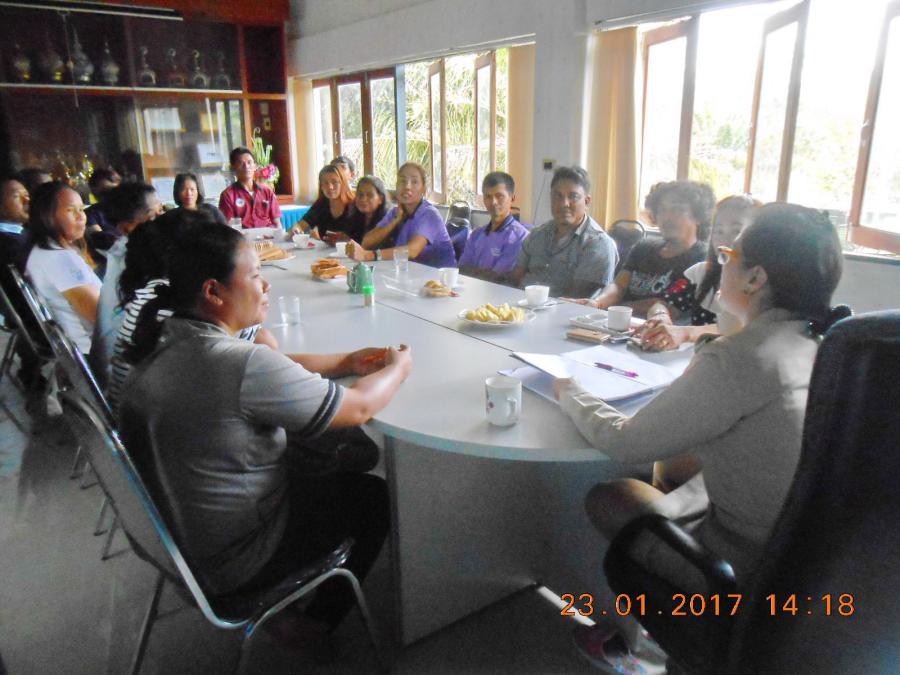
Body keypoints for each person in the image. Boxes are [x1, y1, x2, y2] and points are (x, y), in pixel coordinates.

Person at [555, 203, 848, 658]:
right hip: (806, 556)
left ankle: (631, 640)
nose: (720, 260)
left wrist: (568, 390)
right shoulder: (820, 343)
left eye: (730, 254)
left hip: (744, 568)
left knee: (609, 498)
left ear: (755, 278)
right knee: (674, 466)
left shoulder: (744, 357)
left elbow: (625, 441)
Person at [118, 223, 412, 654]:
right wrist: (399, 367)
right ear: (213, 292)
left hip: (183, 546)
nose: (266, 284)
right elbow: (359, 407)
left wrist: (346, 361)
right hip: (237, 559)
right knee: (370, 496)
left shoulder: (167, 340)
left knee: (317, 455)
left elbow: (271, 371)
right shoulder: (234, 363)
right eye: (255, 275)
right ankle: (312, 625)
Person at [106, 209, 271, 412]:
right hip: (159, 425)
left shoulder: (156, 292)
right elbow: (264, 354)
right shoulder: (183, 307)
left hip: (136, 417)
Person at [638, 194, 760, 351]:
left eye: (736, 231)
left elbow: (736, 329)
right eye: (719, 231)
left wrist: (685, 332)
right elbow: (663, 304)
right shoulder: (700, 273)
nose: (725, 239)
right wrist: (660, 316)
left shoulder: (761, 283)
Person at [572, 180, 714, 316]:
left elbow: (669, 306)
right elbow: (619, 286)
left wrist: (619, 309)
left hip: (662, 328)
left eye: (677, 210)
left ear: (698, 217)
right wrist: (597, 303)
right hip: (617, 322)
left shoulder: (703, 259)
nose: (667, 217)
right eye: (662, 210)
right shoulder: (643, 247)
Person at [89, 182, 162, 383]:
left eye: (161, 211)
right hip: (125, 379)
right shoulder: (135, 264)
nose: (162, 220)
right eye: (153, 215)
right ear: (125, 227)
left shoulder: (125, 252)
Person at [511, 166, 617, 298]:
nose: (564, 203)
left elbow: (576, 298)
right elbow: (516, 278)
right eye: (558, 196)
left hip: (566, 309)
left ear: (586, 202)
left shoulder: (598, 243)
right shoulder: (537, 234)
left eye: (573, 196)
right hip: (522, 304)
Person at [24, 182, 101, 353]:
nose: (81, 217)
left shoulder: (46, 251)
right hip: (97, 352)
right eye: (70, 210)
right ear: (47, 216)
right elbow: (101, 317)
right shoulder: (58, 259)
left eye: (81, 209)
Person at [346, 162, 456, 268]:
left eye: (414, 182)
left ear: (424, 189)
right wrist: (395, 221)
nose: (407, 186)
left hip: (439, 277)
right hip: (412, 273)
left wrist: (369, 255)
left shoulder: (430, 214)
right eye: (402, 181)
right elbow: (367, 242)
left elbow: (412, 250)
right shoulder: (396, 212)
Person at [458, 171, 529, 283]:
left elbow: (497, 277)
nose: (493, 202)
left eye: (499, 196)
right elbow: (461, 269)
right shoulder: (476, 234)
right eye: (488, 197)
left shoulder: (520, 237)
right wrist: (483, 273)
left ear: (512, 198)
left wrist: (473, 271)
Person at [286, 165, 354, 242]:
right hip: (325, 249)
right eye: (325, 183)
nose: (330, 187)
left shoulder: (354, 206)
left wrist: (344, 239)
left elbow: (361, 237)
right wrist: (295, 229)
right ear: (321, 186)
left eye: (334, 182)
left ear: (343, 183)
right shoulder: (321, 204)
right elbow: (301, 224)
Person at [218, 146, 282, 229]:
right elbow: (227, 228)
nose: (246, 166)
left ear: (255, 166)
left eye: (249, 162)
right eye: (241, 163)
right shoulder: (228, 195)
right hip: (242, 236)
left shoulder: (267, 192)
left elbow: (277, 223)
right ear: (233, 168)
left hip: (268, 235)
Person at [84, 167, 121, 240]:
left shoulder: (130, 208)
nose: (111, 195)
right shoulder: (91, 214)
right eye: (104, 192)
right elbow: (102, 241)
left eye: (114, 190)